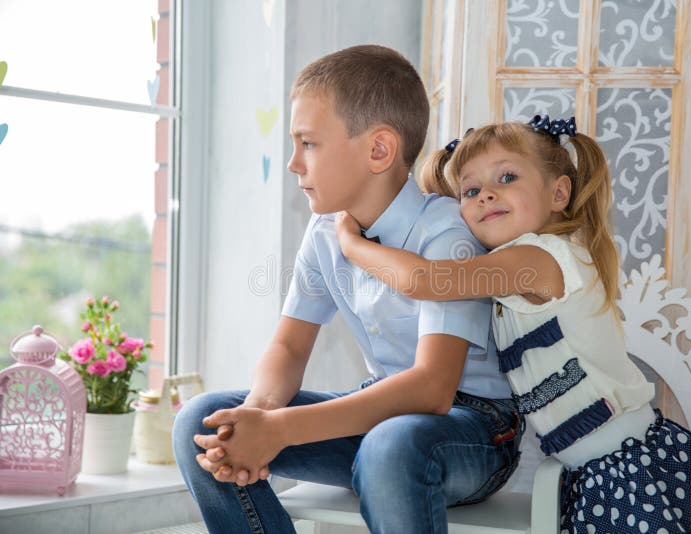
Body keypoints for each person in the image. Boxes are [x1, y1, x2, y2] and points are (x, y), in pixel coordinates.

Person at [335, 115, 691, 533]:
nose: (485, 195)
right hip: (591, 474)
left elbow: (424, 280)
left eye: (506, 178)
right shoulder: (518, 266)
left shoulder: (538, 260)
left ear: (558, 193)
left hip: (630, 469)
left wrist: (353, 246)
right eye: (470, 189)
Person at [172, 44, 523, 534]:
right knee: (204, 424)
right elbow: (289, 346)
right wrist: (255, 418)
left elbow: (432, 389)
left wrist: (281, 430)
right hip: (380, 420)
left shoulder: (447, 235)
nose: (294, 162)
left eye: (308, 143)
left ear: (379, 150)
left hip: (473, 431)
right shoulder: (323, 235)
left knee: (393, 446)